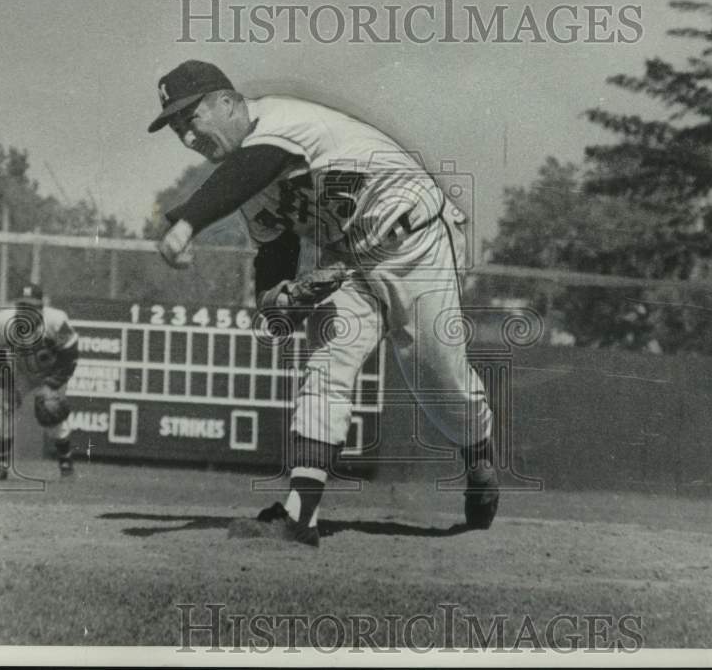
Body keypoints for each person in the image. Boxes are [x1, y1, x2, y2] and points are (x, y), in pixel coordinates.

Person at [149, 60, 498, 546]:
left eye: (192, 120)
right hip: (349, 261)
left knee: (437, 378)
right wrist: (280, 298)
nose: (188, 137)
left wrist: (188, 222)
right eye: (178, 130)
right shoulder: (248, 183)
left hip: (414, 239)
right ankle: (299, 515)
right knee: (327, 360)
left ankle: (478, 457)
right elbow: (275, 250)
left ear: (228, 103)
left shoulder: (279, 121)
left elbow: (257, 164)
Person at [0, 283, 80, 479]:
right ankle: (2, 462)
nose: (27, 311)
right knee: (6, 407)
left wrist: (52, 385)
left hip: (50, 371)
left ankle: (65, 463)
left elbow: (70, 354)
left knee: (51, 411)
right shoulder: (3, 322)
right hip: (21, 372)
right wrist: (6, 382)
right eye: (22, 306)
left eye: (32, 306)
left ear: (41, 308)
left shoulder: (55, 321)